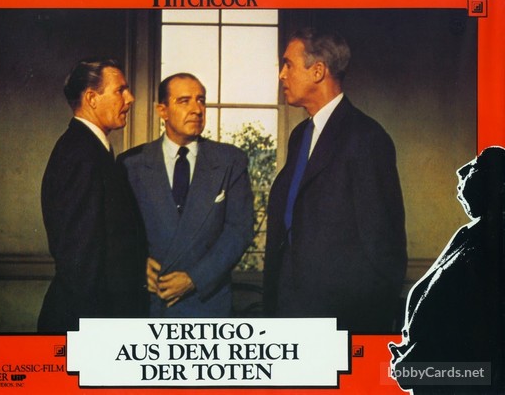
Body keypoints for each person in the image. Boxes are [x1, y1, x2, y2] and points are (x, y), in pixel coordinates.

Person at [264, 28, 407, 333]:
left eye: (288, 64)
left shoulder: (367, 137)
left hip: (340, 318)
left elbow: (384, 247)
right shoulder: (300, 135)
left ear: (318, 71)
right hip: (289, 308)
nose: (281, 75)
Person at [119, 73, 254, 317]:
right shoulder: (131, 163)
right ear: (162, 110)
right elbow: (119, 233)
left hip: (207, 303)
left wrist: (195, 278)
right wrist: (137, 264)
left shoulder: (230, 160)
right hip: (149, 302)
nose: (196, 109)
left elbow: (239, 230)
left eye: (201, 100)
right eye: (184, 101)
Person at [38, 59, 148, 333]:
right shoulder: (81, 155)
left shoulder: (91, 151)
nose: (130, 98)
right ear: (91, 98)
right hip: (87, 324)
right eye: (120, 90)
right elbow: (80, 262)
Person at [390, 147, 505, 394]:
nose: (461, 171)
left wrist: (419, 369)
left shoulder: (495, 249)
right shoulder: (468, 235)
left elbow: (487, 366)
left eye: (476, 165)